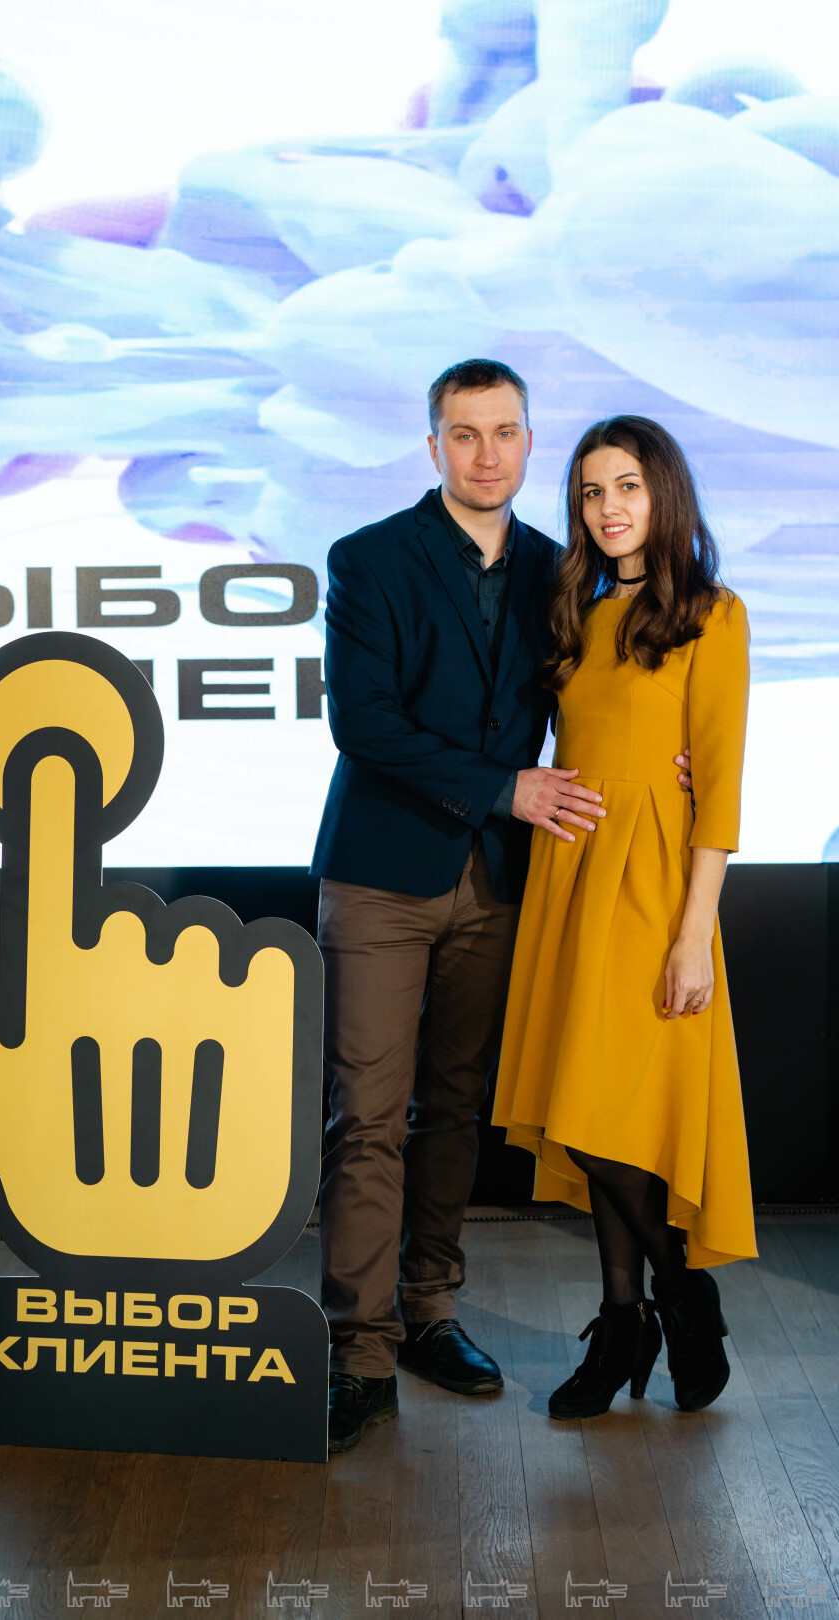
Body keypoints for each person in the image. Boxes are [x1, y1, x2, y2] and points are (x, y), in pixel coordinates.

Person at [310, 363, 691, 1452]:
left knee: (455, 1109)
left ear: (529, 443)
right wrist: (503, 789)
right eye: (465, 434)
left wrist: (667, 755)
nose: (487, 454)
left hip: (503, 883)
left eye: (506, 432)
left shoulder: (558, 570)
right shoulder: (368, 558)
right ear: (433, 446)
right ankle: (360, 1352)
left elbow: (613, 688)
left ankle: (431, 1313)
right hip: (382, 874)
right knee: (367, 1116)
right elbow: (364, 725)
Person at [492, 414, 757, 1420]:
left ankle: (674, 1300)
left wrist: (693, 936)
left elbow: (719, 788)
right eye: (592, 492)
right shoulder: (579, 612)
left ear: (665, 493)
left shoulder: (712, 616)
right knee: (589, 1115)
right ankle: (627, 1318)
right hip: (572, 877)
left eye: (628, 487)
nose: (608, 508)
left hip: (653, 889)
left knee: (615, 1117)